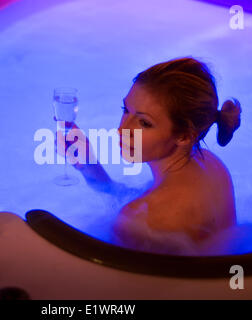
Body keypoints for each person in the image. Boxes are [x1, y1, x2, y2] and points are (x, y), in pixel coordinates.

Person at [56, 57, 242, 254]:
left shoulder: (141, 223)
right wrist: (89, 164)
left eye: (144, 123)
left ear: (185, 135)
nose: (122, 129)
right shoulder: (212, 165)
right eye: (126, 110)